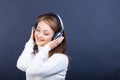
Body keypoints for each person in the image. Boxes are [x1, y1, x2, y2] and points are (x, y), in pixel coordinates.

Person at [16, 13, 69, 80]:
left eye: (46, 33)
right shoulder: (35, 53)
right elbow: (21, 65)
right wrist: (31, 41)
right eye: (38, 30)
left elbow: (32, 72)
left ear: (56, 37)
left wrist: (47, 48)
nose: (39, 35)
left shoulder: (61, 59)